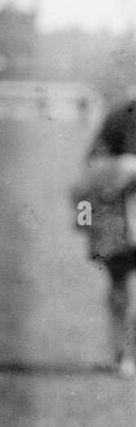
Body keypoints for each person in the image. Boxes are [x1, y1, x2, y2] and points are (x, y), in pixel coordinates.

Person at [71, 92, 136, 377]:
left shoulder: (118, 115)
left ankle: (124, 357)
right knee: (119, 287)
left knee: (119, 288)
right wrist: (85, 219)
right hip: (118, 220)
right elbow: (88, 174)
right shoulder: (118, 117)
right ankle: (121, 356)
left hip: (120, 220)